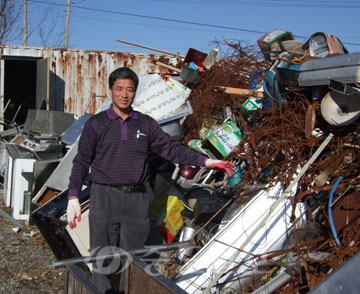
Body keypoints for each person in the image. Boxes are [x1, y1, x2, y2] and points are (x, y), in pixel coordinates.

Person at [66, 67, 235, 293]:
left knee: (134, 258)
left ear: (135, 92)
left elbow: (171, 149)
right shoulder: (96, 124)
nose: (124, 94)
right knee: (102, 256)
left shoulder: (146, 124)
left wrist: (206, 162)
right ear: (110, 91)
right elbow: (81, 161)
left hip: (137, 198)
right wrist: (73, 196)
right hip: (104, 196)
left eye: (130, 89)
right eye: (119, 89)